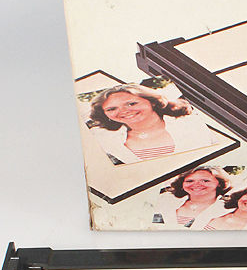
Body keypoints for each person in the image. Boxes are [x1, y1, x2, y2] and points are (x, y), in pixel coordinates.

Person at [88, 84, 219, 164]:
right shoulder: (103, 139)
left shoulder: (192, 122)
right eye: (111, 109)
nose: (124, 111)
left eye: (131, 103)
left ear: (153, 102)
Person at [154, 166, 231, 228]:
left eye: (205, 180)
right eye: (190, 181)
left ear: (219, 183)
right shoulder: (165, 201)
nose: (196, 184)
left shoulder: (229, 209)